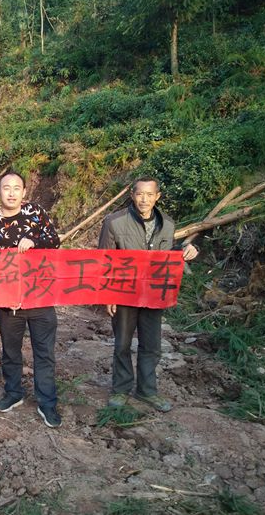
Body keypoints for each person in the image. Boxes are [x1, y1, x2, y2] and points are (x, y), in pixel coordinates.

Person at [98, 176, 198, 412]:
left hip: (153, 294)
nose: (144, 199)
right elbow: (103, 260)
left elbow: (168, 254)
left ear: (157, 197)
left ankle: (147, 391)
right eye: (140, 194)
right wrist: (108, 294)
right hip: (124, 293)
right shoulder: (114, 222)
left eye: (149, 194)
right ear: (132, 195)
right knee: (122, 343)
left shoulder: (168, 224)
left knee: (151, 345)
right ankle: (121, 389)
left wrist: (186, 249)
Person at [0, 170, 62, 428]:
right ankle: (13, 393)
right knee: (11, 352)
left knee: (44, 353)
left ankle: (47, 402)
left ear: (24, 191)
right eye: (6, 188)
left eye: (17, 188)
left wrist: (34, 240)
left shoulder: (35, 213)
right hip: (10, 304)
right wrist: (3, 296)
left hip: (40, 297)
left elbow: (54, 241)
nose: (12, 193)